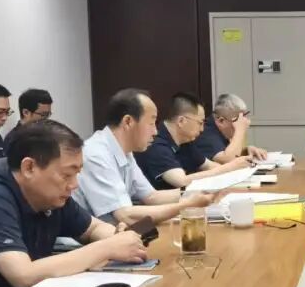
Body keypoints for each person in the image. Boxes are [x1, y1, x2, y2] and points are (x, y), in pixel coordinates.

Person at [0, 120, 148, 287]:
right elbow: (22, 275)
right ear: (29, 167)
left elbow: (93, 228)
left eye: (77, 174)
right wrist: (108, 247)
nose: (74, 184)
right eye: (67, 175)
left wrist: (117, 236)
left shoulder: (51, 195)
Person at [73, 89, 214, 225]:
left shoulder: (125, 151)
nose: (155, 131)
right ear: (128, 122)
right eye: (151, 123)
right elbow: (125, 215)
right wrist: (186, 204)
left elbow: (151, 197)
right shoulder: (97, 155)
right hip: (84, 239)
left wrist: (199, 192)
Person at [135, 92, 253, 190]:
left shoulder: (185, 142)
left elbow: (209, 166)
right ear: (181, 121)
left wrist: (238, 168)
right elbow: (182, 181)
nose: (202, 129)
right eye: (200, 123)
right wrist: (230, 167)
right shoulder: (157, 144)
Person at [192, 94, 269, 165]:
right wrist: (240, 130)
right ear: (221, 121)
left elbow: (228, 151)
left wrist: (246, 151)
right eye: (237, 122)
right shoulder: (205, 132)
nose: (246, 123)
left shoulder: (220, 129)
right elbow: (228, 161)